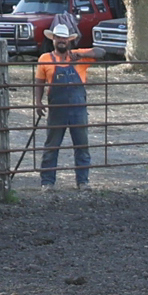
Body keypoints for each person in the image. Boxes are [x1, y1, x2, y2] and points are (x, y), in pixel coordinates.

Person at [35, 23, 95, 190]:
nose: (61, 40)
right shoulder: (45, 59)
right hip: (57, 109)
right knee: (52, 146)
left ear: (69, 40)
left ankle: (83, 181)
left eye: (64, 38)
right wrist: (38, 101)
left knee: (82, 145)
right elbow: (39, 82)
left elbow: (101, 52)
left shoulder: (78, 56)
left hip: (78, 108)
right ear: (53, 39)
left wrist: (81, 54)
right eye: (58, 38)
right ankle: (47, 182)